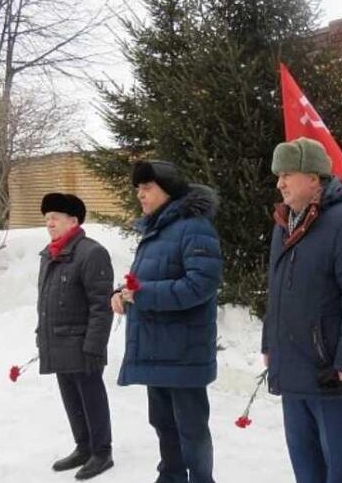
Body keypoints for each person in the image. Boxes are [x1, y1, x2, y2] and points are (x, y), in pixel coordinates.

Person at [262, 137, 342, 483]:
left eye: (288, 174)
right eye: (278, 175)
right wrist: (270, 343)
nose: (280, 183)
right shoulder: (283, 223)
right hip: (292, 365)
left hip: (329, 370)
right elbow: (277, 292)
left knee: (335, 467)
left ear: (314, 178)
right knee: (304, 462)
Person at [112, 160, 222, 483]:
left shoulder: (194, 227)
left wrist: (141, 294)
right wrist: (123, 292)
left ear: (168, 190)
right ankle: (171, 476)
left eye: (147, 188)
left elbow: (200, 286)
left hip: (183, 351)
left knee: (192, 431)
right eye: (138, 190)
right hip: (156, 348)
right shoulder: (155, 230)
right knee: (162, 423)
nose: (141, 196)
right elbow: (146, 280)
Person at [37, 193, 116, 480]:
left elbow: (101, 305)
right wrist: (41, 336)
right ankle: (83, 447)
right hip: (58, 341)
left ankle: (101, 451)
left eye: (55, 218)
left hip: (83, 344)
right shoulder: (50, 254)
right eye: (46, 219)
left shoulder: (91, 253)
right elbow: (45, 300)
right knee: (71, 398)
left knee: (91, 397)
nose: (49, 223)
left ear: (74, 220)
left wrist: (94, 346)